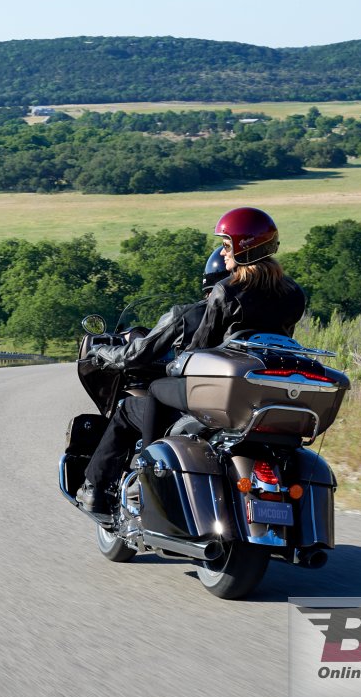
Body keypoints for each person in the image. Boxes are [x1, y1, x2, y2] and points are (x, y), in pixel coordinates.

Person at [77, 207, 307, 515]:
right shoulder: (292, 292)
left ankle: (143, 473)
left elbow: (199, 351)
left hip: (216, 395)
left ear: (244, 248)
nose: (224, 254)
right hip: (260, 394)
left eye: (227, 245)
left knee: (155, 390)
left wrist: (172, 365)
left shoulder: (227, 291)